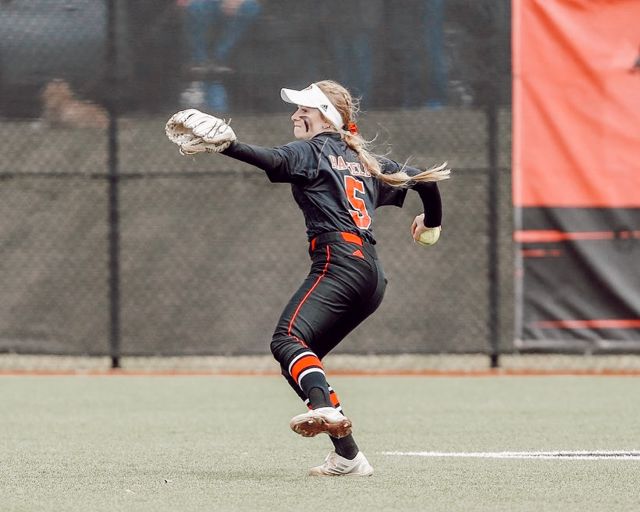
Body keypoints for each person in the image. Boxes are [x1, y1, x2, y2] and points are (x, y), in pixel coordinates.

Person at [166, 80, 449, 476]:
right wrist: (431, 224)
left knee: (286, 341)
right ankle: (348, 457)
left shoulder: (313, 151)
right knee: (299, 361)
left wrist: (229, 145)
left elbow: (272, 160)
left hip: (338, 262)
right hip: (371, 275)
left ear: (327, 118)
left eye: (305, 109)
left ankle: (325, 412)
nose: (296, 114)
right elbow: (425, 180)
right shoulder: (365, 162)